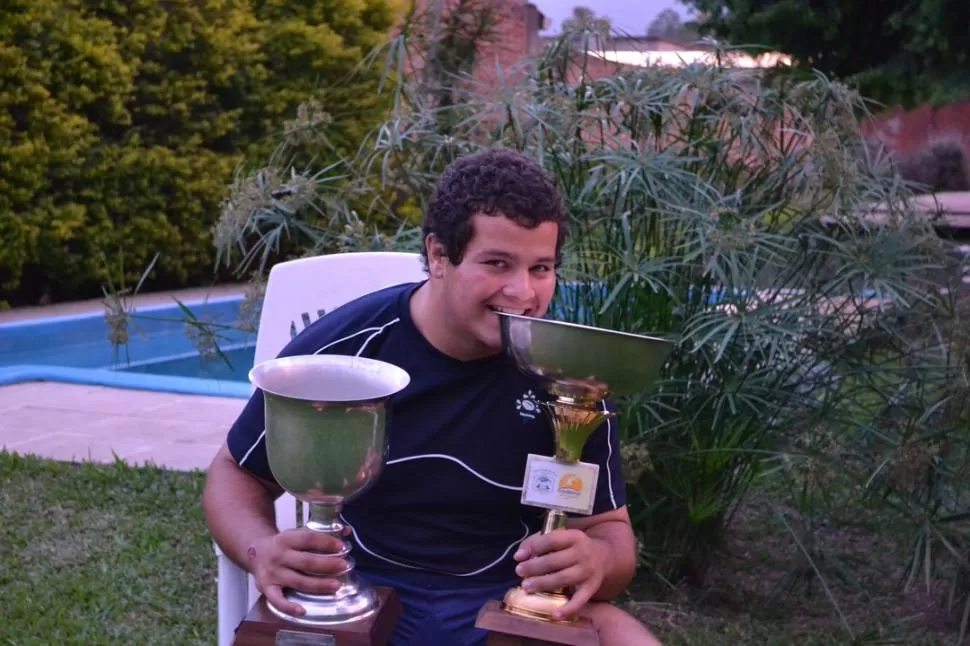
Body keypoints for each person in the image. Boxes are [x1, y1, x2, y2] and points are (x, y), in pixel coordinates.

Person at [202, 148, 663, 646]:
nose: (522, 292)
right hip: (363, 600)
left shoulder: (573, 375)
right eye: (497, 263)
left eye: (541, 268)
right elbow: (235, 471)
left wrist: (597, 560)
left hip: (505, 613)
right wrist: (260, 547)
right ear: (439, 255)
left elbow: (612, 534)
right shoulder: (349, 351)